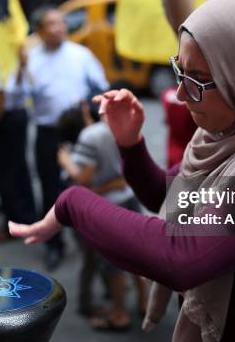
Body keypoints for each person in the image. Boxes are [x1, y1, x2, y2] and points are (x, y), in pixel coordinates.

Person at [11, 0, 235, 341]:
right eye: (179, 72)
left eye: (198, 80)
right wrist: (130, 144)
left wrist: (73, 203)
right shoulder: (224, 135)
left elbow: (184, 256)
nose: (182, 94)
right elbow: (167, 197)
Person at [20, 7, 109, 270]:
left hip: (80, 131)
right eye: (51, 23)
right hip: (48, 133)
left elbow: (100, 85)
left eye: (61, 22)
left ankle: (94, 241)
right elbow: (18, 95)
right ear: (39, 30)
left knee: (87, 185)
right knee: (50, 190)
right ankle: (54, 245)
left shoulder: (80, 54)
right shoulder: (31, 59)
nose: (59, 27)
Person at [57, 103, 148, 330]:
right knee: (138, 256)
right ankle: (144, 301)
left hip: (107, 209)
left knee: (112, 265)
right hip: (128, 197)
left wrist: (66, 162)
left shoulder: (87, 139)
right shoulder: (112, 127)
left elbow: (84, 179)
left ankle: (119, 315)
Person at [0, 43, 37, 242]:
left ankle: (15, 224)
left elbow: (1, 93)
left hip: (8, 118)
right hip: (12, 117)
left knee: (7, 173)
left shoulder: (2, 53)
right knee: (17, 169)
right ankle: (25, 218)